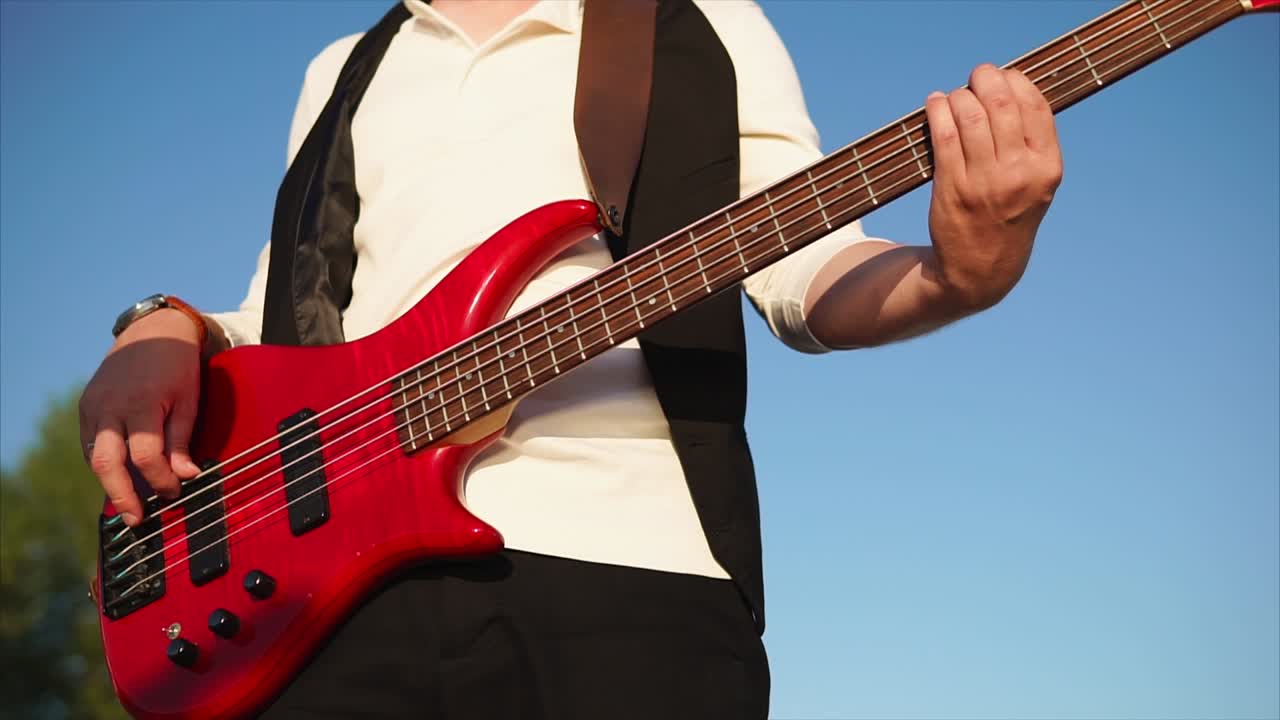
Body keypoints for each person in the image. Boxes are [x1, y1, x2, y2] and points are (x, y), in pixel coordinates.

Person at [78, 1, 1062, 717]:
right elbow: (286, 315)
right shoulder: (344, 67)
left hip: (631, 575)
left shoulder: (698, 21)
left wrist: (957, 274)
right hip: (337, 610)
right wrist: (161, 325)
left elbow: (804, 266)